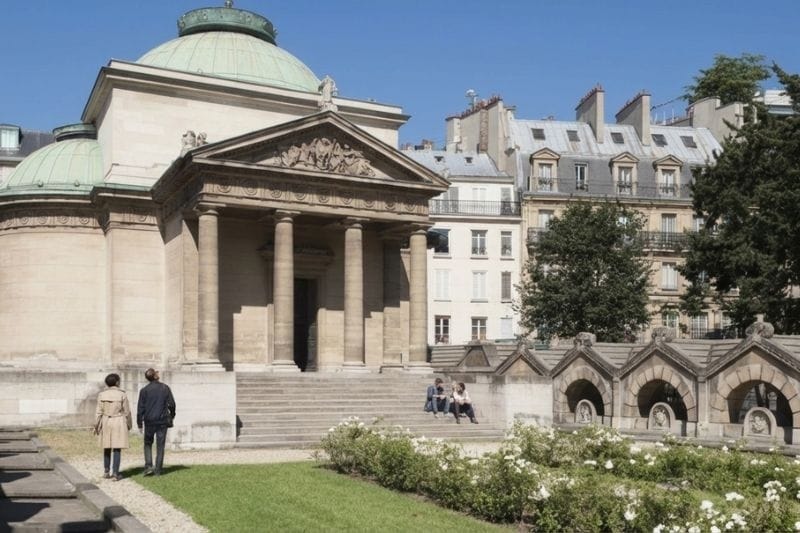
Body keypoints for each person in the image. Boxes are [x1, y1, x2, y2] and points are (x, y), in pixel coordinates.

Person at [136, 368, 176, 476]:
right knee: (160, 445)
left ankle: (149, 466)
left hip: (149, 421)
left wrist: (139, 423)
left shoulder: (144, 390)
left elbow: (140, 408)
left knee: (148, 444)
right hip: (162, 421)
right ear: (155, 376)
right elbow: (172, 404)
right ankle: (158, 470)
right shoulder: (165, 388)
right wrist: (172, 415)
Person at [94, 373, 132, 481]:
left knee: (106, 446)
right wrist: (129, 424)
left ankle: (106, 471)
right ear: (117, 382)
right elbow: (127, 412)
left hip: (106, 420)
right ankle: (115, 473)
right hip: (118, 420)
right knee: (117, 448)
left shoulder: (102, 395)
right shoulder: (122, 394)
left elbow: (98, 412)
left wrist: (96, 425)